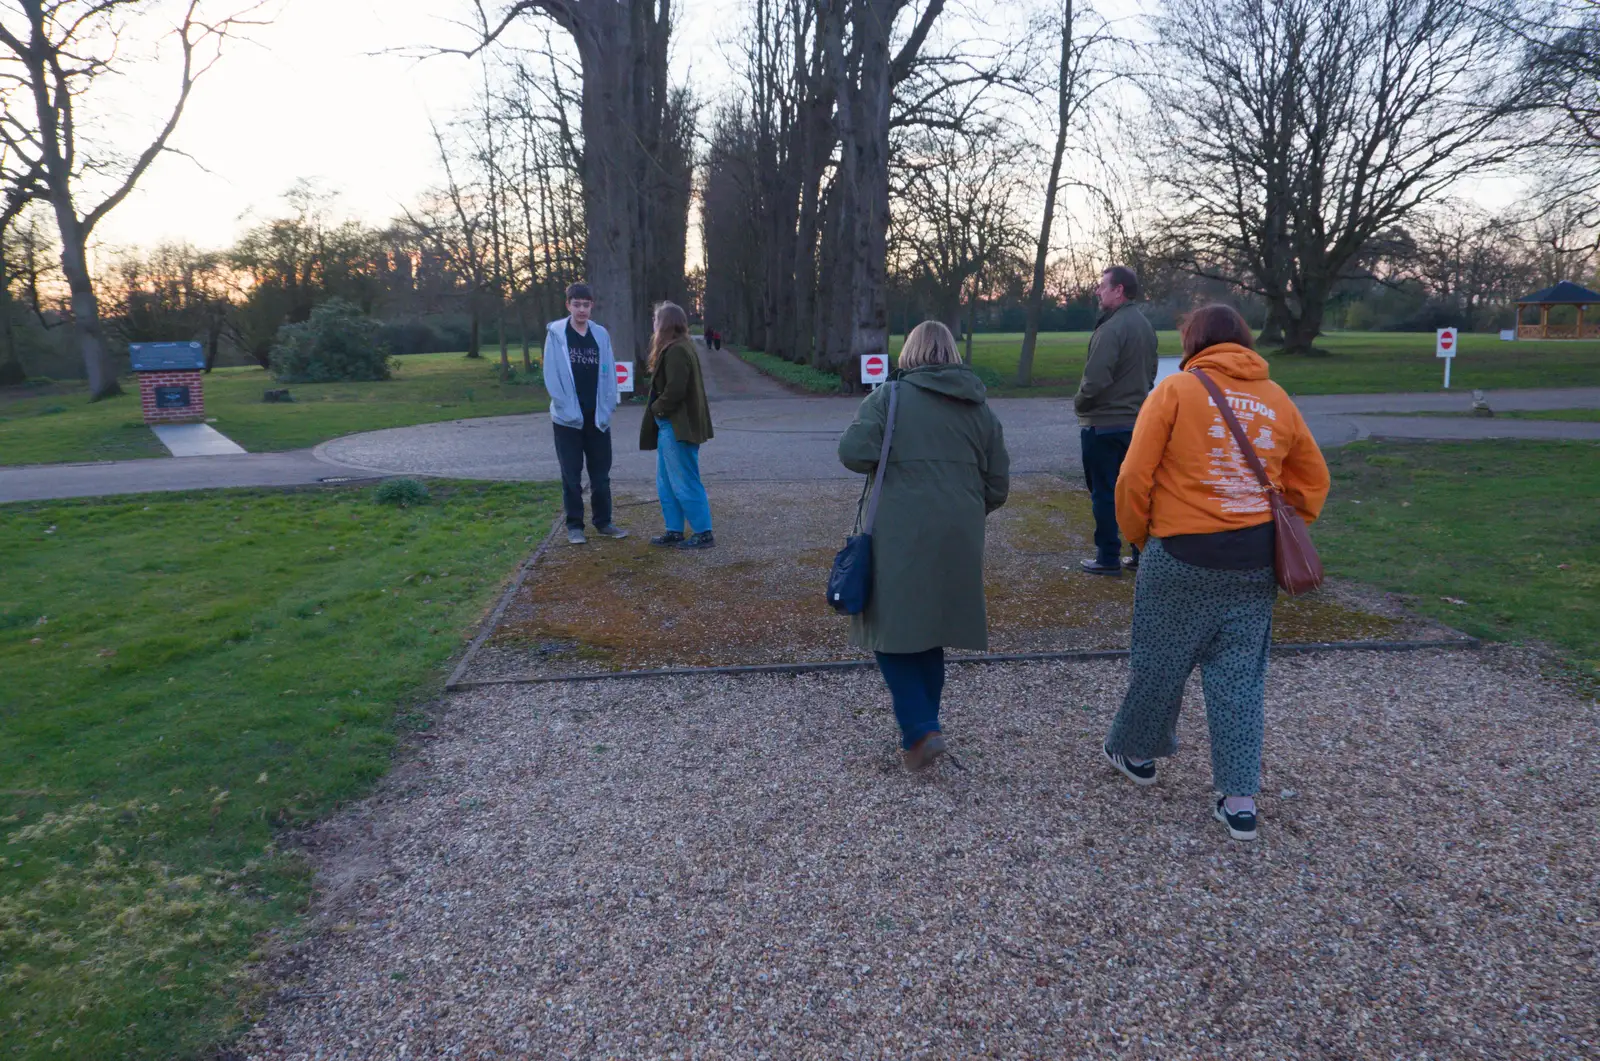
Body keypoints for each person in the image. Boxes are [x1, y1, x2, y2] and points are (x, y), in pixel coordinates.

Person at [1102, 304, 1329, 842]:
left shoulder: (1176, 392)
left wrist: (1138, 534)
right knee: (1239, 679)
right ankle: (1239, 799)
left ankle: (1137, 754)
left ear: (1194, 342)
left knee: (1160, 660)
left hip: (1181, 551)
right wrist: (1279, 528)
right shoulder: (1277, 400)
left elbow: (1134, 475)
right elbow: (1311, 482)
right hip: (1253, 559)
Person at [838, 322, 1010, 771]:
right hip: (959, 530)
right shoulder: (979, 408)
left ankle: (920, 730)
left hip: (900, 529)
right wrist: (963, 511)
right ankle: (926, 723)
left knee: (888, 628)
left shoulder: (889, 398)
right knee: (932, 628)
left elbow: (852, 452)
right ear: (951, 353)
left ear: (910, 355)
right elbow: (998, 485)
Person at [1074, 266, 1159, 576]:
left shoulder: (1111, 330)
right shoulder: (1145, 326)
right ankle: (1139, 552)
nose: (1098, 291)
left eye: (1102, 286)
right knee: (1136, 490)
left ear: (1119, 290)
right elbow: (1151, 373)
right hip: (1137, 423)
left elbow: (1094, 380)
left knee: (1105, 491)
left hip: (1103, 424)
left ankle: (1108, 556)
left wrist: (1080, 403)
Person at [543, 282, 627, 545]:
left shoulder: (600, 334)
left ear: (592, 306)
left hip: (597, 418)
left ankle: (604, 522)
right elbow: (551, 375)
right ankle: (574, 526)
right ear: (568, 305)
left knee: (601, 475)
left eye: (586, 304)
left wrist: (609, 404)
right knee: (571, 474)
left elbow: (610, 371)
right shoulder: (557, 334)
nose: (581, 310)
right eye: (576, 304)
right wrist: (566, 408)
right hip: (567, 420)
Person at [641, 301, 716, 549]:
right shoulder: (679, 347)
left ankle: (703, 532)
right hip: (671, 425)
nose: (653, 324)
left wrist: (656, 409)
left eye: (655, 319)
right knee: (666, 482)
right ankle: (674, 530)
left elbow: (675, 390)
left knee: (684, 480)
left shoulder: (677, 351)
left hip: (677, 426)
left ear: (665, 324)